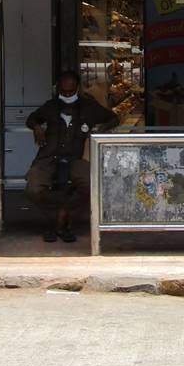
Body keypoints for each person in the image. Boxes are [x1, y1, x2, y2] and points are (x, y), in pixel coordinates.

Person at [24, 70, 119, 243]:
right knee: (33, 187)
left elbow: (113, 118)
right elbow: (31, 119)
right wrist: (37, 127)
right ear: (58, 89)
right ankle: (59, 218)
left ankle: (61, 217)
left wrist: (100, 129)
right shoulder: (51, 106)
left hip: (77, 158)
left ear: (78, 89)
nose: (67, 95)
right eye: (64, 92)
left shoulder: (89, 107)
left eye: (71, 91)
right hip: (48, 158)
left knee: (91, 185)